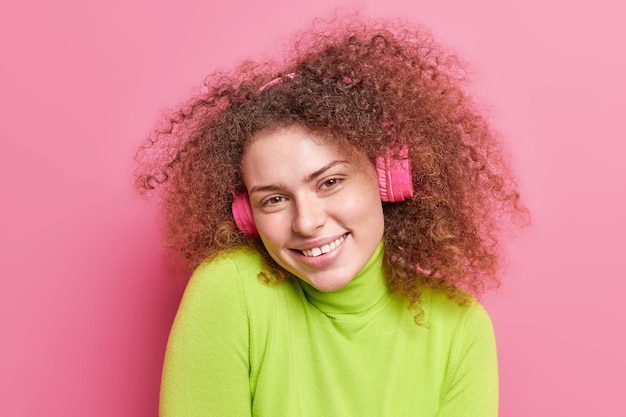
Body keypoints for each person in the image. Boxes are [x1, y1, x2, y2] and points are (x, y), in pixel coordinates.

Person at [136, 14, 527, 417]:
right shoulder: (231, 289)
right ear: (246, 215)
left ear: (388, 177)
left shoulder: (459, 326)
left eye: (329, 183)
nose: (306, 222)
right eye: (274, 200)